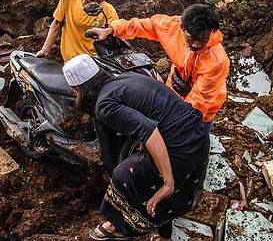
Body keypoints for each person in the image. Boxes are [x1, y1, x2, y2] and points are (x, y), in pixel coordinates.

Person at [62, 54, 209, 241]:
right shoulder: (124, 78)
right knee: (144, 170)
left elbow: (149, 130)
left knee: (123, 175)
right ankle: (165, 234)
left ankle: (119, 226)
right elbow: (151, 115)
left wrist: (168, 183)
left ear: (79, 89)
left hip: (181, 147)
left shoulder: (104, 105)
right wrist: (143, 147)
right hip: (198, 137)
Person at [88, 4, 229, 123]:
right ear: (182, 28)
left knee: (193, 136)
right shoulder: (172, 26)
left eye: (203, 39)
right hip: (176, 86)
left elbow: (199, 104)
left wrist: (174, 122)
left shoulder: (216, 61)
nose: (196, 45)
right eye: (191, 38)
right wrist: (112, 29)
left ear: (212, 32)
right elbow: (146, 25)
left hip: (203, 108)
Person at [36, 0, 118, 61]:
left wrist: (106, 32)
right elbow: (57, 24)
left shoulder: (108, 9)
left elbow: (116, 29)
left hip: (94, 62)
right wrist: (45, 50)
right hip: (70, 62)